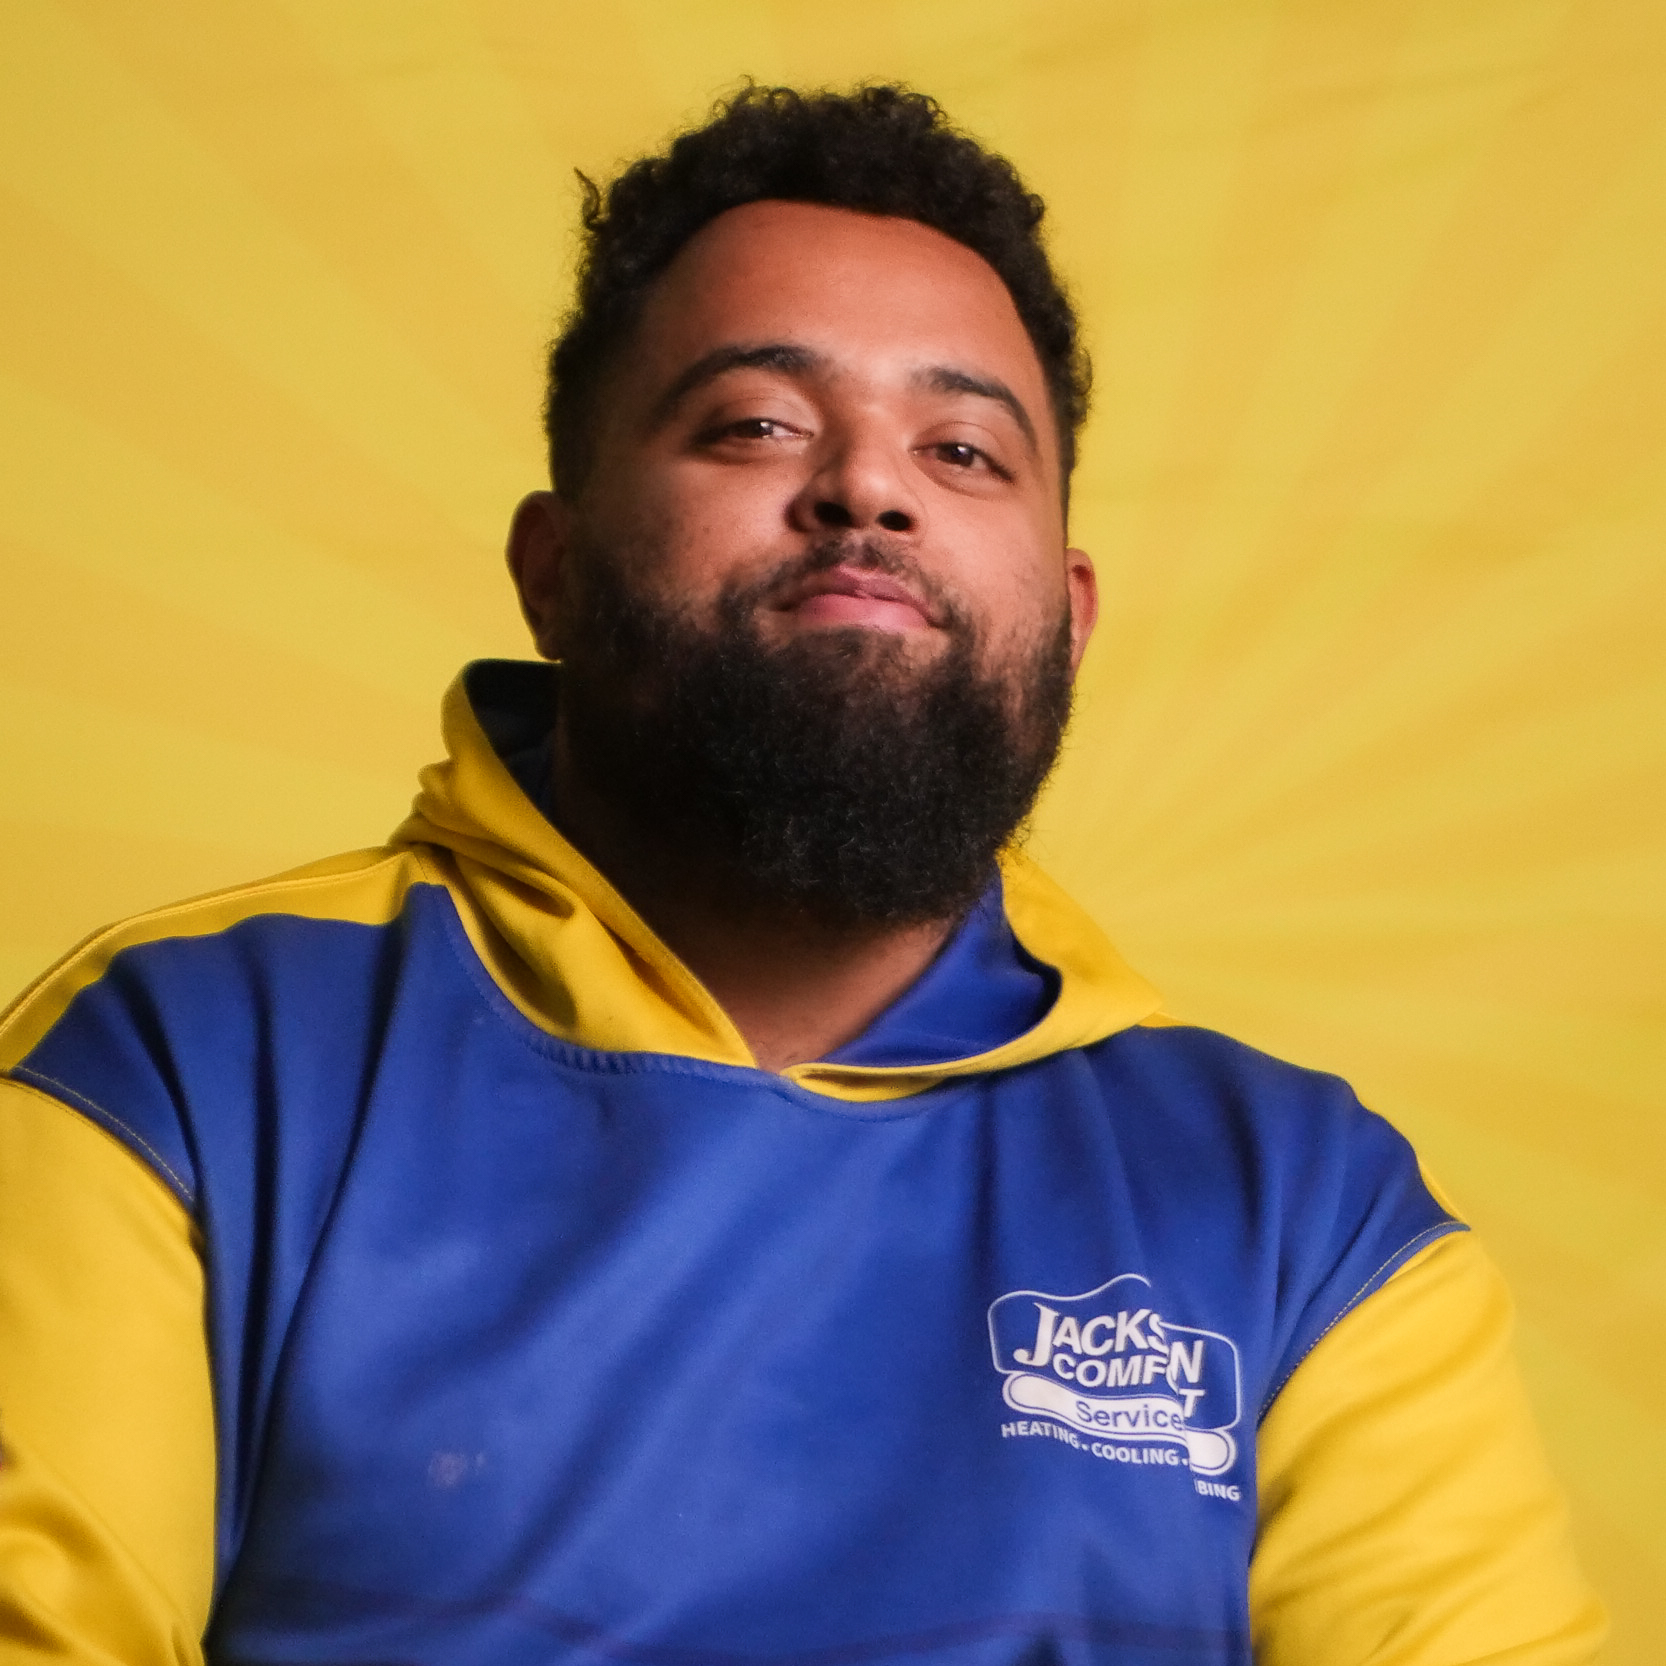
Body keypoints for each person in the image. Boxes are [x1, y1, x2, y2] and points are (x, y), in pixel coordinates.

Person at [0, 85, 1604, 1666]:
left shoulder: (1310, 1216)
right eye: (757, 422)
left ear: (1069, 612)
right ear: (550, 572)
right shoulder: (179, 1064)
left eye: (965, 448)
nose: (867, 488)